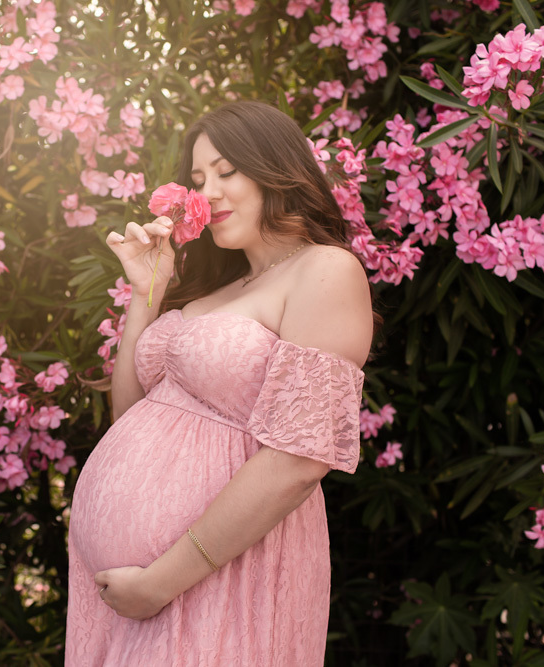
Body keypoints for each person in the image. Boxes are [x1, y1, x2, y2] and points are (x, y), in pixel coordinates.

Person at [66, 101, 375, 665]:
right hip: (124, 595)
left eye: (227, 171)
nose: (207, 193)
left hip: (213, 579)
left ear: (276, 168)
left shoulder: (325, 270)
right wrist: (147, 291)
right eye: (198, 179)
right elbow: (130, 417)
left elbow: (300, 460)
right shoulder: (219, 287)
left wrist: (159, 582)